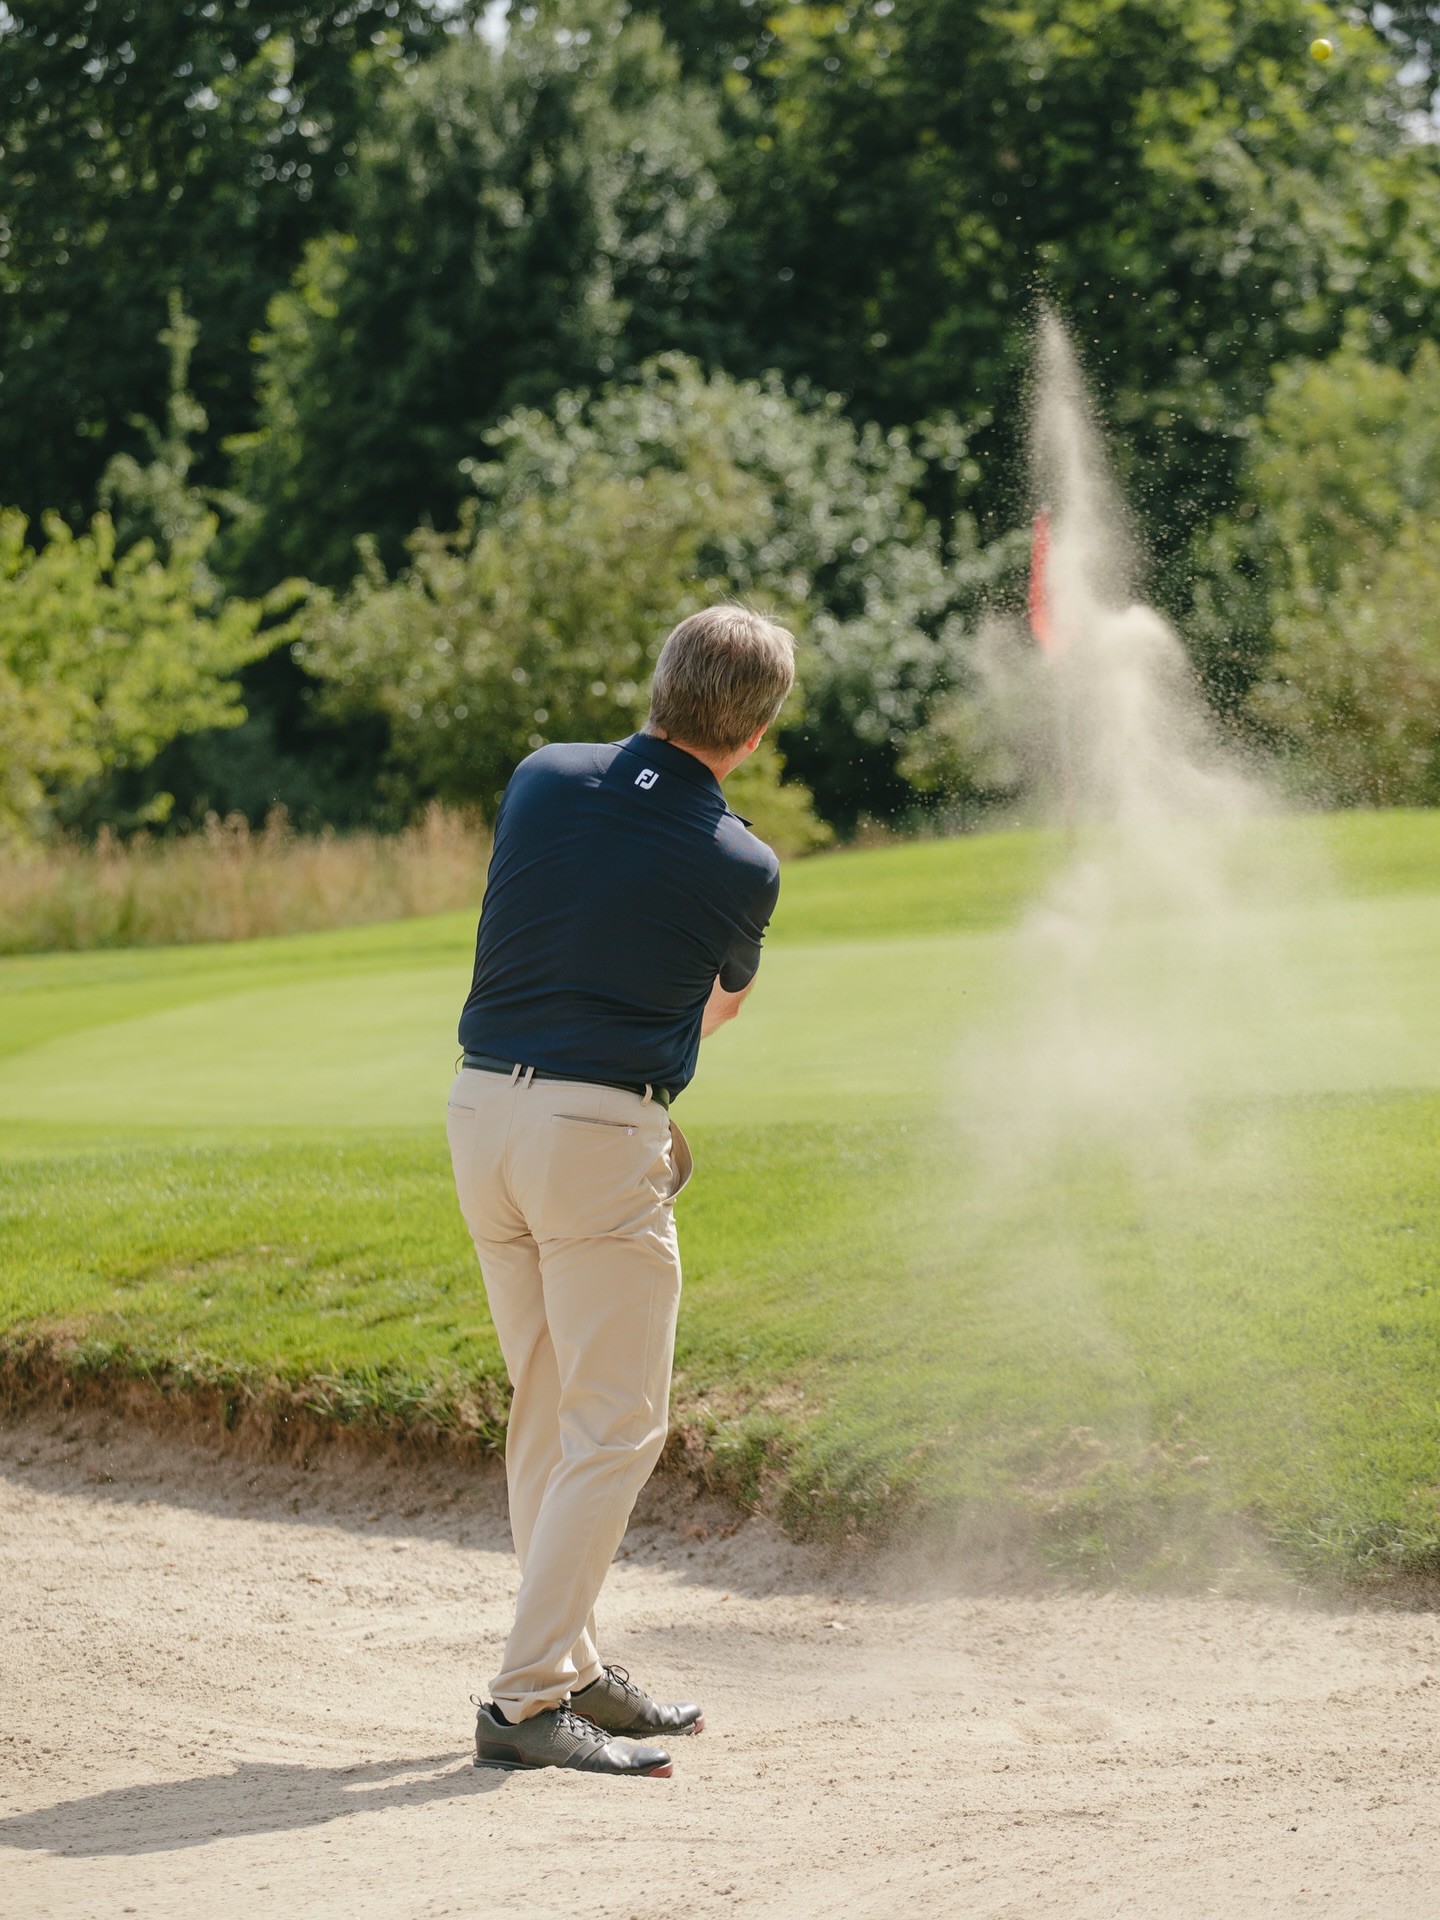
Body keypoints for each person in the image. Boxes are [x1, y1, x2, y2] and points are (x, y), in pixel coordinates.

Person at [447, 604, 795, 1778]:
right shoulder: (742, 861)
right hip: (595, 1133)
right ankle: (526, 1697)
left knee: (549, 1402)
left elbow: (566, 914)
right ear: (753, 735)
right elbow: (718, 1004)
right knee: (617, 1424)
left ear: (658, 685)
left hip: (480, 1113)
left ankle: (574, 1661)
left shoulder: (542, 778)